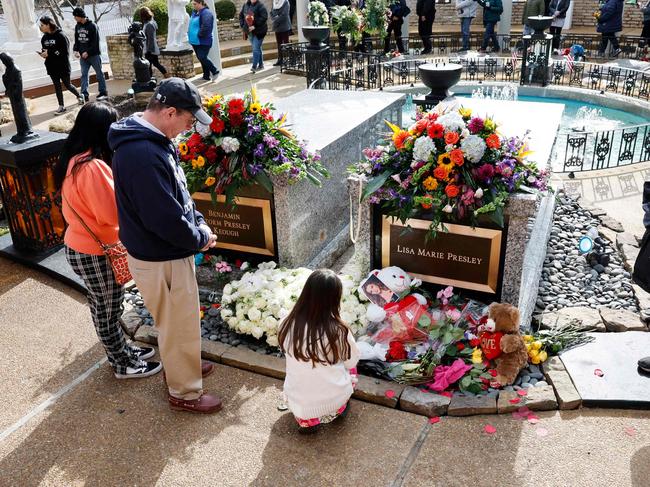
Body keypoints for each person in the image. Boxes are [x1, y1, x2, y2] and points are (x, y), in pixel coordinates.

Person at [108, 78, 222, 414]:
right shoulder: (142, 153)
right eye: (188, 121)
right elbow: (165, 220)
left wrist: (198, 221)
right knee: (178, 324)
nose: (189, 129)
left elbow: (179, 196)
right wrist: (202, 237)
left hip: (160, 253)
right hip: (162, 256)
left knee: (176, 322)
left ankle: (179, 364)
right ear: (169, 112)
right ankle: (184, 392)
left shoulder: (150, 141)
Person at [55, 102, 161, 380]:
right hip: (94, 251)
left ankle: (122, 352)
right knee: (108, 308)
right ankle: (121, 363)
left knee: (106, 304)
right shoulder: (92, 167)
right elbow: (111, 214)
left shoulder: (74, 159)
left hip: (82, 246)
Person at [278, 269, 360, 433]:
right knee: (350, 367)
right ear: (335, 299)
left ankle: (308, 421)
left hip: (298, 400)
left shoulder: (286, 322)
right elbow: (352, 359)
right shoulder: (338, 330)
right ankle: (338, 409)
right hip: (333, 398)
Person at [38, 16, 84, 116]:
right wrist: (43, 54)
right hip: (51, 66)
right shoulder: (44, 38)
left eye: (42, 25)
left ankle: (80, 95)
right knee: (57, 86)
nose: (40, 27)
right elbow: (45, 50)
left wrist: (49, 52)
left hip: (62, 65)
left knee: (67, 85)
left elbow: (64, 52)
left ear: (48, 24)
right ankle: (61, 106)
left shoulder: (61, 36)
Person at [72, 7, 108, 102]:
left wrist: (87, 52)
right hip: (83, 57)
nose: (74, 18)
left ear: (80, 16)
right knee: (84, 75)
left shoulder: (92, 26)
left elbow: (95, 42)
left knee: (99, 74)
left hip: (94, 55)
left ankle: (103, 92)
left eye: (75, 16)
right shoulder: (77, 26)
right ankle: (84, 94)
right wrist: (76, 50)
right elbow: (77, 40)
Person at [188, 0, 220, 81]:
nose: (193, 6)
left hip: (203, 41)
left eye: (195, 4)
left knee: (202, 57)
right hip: (195, 41)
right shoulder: (195, 12)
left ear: (201, 3)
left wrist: (199, 34)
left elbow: (206, 27)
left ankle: (214, 71)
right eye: (193, 4)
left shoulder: (206, 13)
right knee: (201, 58)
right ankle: (206, 76)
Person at [240, 0, 269, 73]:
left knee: (255, 48)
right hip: (249, 32)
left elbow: (264, 17)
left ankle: (254, 66)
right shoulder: (245, 5)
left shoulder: (260, 5)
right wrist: (243, 25)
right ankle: (261, 65)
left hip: (259, 31)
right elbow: (241, 16)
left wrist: (254, 25)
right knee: (257, 48)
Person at [140, 7, 168, 78]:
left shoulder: (149, 24)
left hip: (150, 49)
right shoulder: (149, 23)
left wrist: (149, 51)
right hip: (151, 48)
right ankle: (167, 75)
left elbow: (151, 39)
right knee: (155, 64)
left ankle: (150, 80)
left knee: (149, 65)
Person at [271, 0, 292, 66]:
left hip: (284, 26)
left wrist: (276, 19)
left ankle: (289, 59)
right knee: (279, 44)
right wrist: (275, 18)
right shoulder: (274, 2)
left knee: (286, 44)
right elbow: (271, 12)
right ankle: (280, 60)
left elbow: (284, 14)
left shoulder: (285, 2)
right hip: (277, 27)